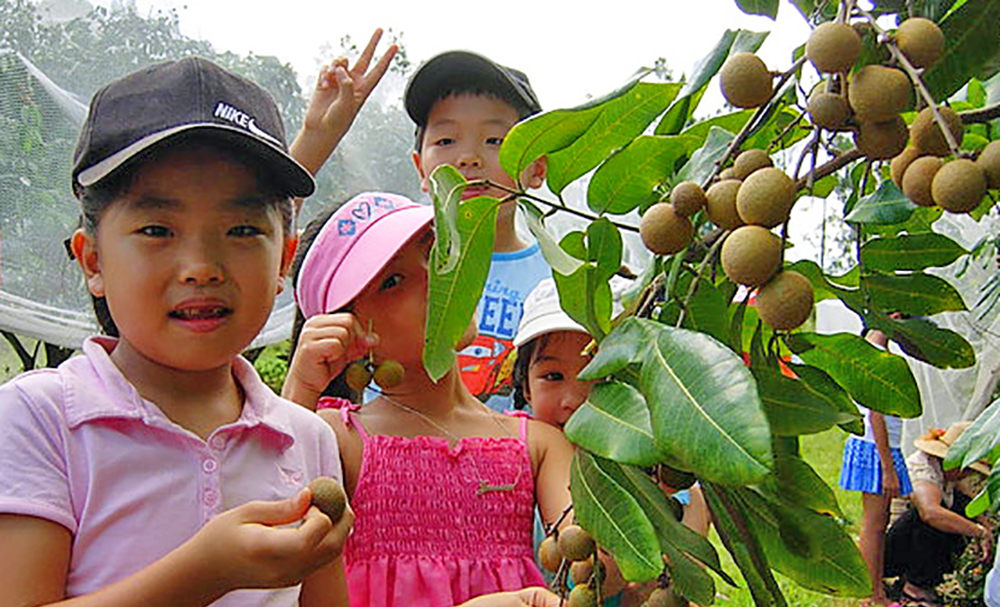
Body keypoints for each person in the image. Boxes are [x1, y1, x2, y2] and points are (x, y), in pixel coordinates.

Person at [0, 57, 353, 606]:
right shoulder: (41, 418)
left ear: (284, 260)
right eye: (157, 229)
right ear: (92, 259)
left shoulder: (307, 439)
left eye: (241, 229)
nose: (202, 266)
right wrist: (204, 571)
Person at [282, 192, 575, 607]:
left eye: (434, 251)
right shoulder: (338, 438)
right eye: (393, 280)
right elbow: (276, 537)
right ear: (348, 329)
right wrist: (300, 389)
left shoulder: (538, 444)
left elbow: (594, 565)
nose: (435, 278)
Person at [288, 48, 551, 412]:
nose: (469, 157)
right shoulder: (380, 262)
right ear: (421, 169)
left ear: (537, 167)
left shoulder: (560, 278)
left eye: (495, 140)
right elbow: (265, 245)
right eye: (446, 141)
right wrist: (316, 138)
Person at [839, 327, 914, 607]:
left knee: (879, 522)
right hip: (877, 447)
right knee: (873, 523)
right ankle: (869, 594)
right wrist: (887, 466)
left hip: (878, 446)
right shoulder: (876, 355)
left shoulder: (868, 349)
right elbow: (875, 415)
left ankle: (876, 590)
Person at [884, 422, 993, 606]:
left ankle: (929, 581)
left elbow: (968, 501)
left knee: (959, 509)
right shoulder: (923, 468)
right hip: (895, 549)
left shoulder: (947, 474)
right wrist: (978, 531)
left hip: (916, 545)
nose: (966, 475)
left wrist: (986, 526)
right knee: (934, 516)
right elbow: (930, 513)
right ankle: (914, 586)